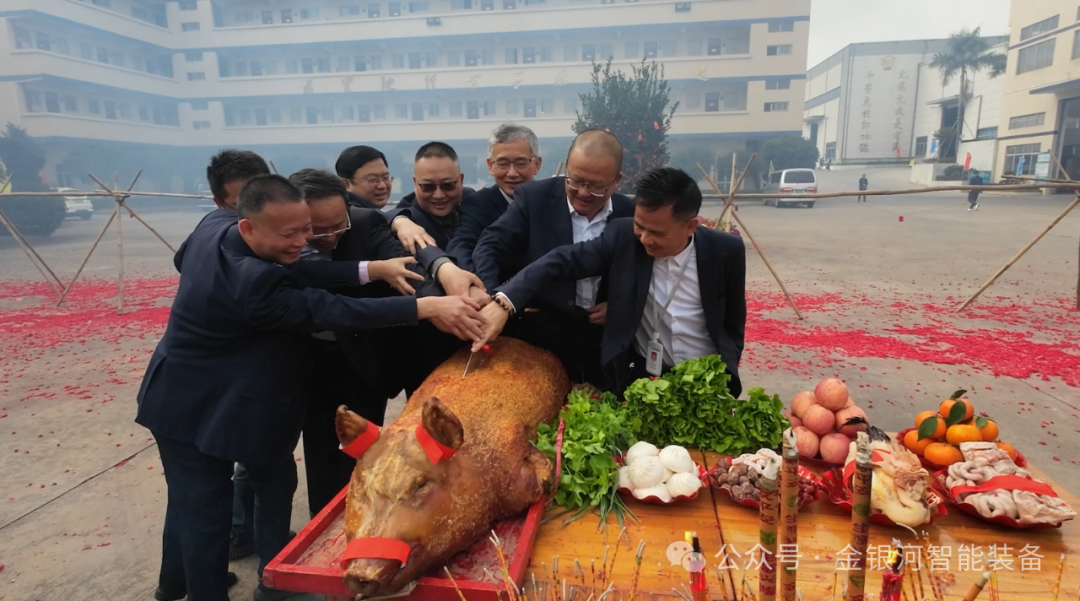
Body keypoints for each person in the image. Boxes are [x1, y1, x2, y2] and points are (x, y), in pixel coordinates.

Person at [135, 175, 484, 601]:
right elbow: (331, 309)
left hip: (177, 387)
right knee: (211, 507)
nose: (303, 242)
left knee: (191, 501)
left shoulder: (214, 226)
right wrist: (424, 306)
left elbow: (291, 267)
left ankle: (175, 582)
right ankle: (217, 592)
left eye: (307, 229)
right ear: (248, 227)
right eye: (290, 234)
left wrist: (373, 267)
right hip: (213, 403)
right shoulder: (256, 283)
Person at [287, 169, 480, 517]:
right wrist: (376, 272)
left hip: (358, 361)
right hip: (305, 359)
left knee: (362, 450)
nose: (329, 237)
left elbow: (411, 270)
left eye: (338, 226)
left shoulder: (364, 222)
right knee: (318, 451)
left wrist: (442, 299)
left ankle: (367, 520)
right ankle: (324, 525)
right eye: (317, 230)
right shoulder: (282, 238)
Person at [473, 167, 747, 396]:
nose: (645, 239)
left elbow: (733, 321)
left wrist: (726, 366)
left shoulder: (725, 251)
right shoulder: (624, 237)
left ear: (690, 226)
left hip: (707, 377)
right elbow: (560, 261)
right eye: (640, 226)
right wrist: (504, 301)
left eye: (657, 233)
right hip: (643, 378)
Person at [472, 129, 635, 385]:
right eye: (575, 181)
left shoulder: (630, 214)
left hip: (603, 340)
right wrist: (495, 301)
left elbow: (644, 272)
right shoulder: (535, 199)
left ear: (616, 181)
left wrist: (621, 305)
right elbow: (490, 247)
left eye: (596, 187)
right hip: (541, 336)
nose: (583, 193)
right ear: (567, 168)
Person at [445, 123, 543, 271]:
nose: (512, 173)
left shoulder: (552, 201)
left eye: (521, 163)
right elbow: (461, 247)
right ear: (490, 165)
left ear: (537, 164)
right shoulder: (477, 206)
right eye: (503, 163)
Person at [386, 142, 471, 253]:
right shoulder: (405, 220)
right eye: (428, 186)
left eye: (447, 185)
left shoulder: (475, 202)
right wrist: (399, 221)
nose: (438, 195)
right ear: (415, 183)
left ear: (461, 180)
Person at [335, 145, 394, 209]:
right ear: (346, 184)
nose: (382, 186)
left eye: (385, 177)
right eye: (372, 179)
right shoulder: (344, 213)